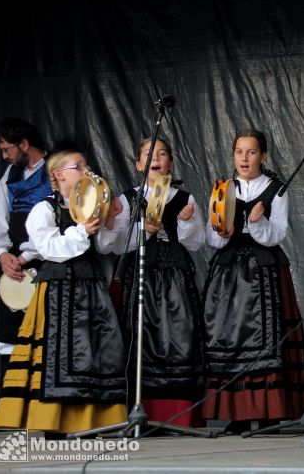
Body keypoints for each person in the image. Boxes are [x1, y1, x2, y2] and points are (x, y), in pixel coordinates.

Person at [0, 147, 127, 434]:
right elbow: (50, 248)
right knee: (59, 353)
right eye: (79, 166)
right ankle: (51, 419)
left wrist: (111, 220)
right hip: (59, 291)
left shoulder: (92, 207)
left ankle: (95, 420)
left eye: (87, 165)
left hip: (91, 288)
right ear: (58, 174)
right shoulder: (45, 208)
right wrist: (81, 230)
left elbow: (104, 247)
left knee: (95, 349)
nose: (87, 170)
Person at [201, 129, 304, 434]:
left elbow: (278, 233)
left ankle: (269, 412)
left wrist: (258, 222)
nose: (244, 158)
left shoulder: (276, 189)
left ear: (263, 155)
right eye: (239, 152)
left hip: (265, 270)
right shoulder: (223, 189)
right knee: (230, 337)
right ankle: (236, 412)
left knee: (268, 338)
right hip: (229, 272)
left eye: (251, 152)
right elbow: (212, 235)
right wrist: (221, 234)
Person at [111, 137, 205, 427]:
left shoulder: (184, 198)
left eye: (163, 154)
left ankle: (177, 416)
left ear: (170, 164)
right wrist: (144, 230)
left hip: (175, 276)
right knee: (139, 338)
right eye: (150, 154)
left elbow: (198, 242)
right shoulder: (128, 199)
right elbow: (115, 244)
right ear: (140, 164)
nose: (157, 158)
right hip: (140, 275)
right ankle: (139, 410)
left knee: (180, 337)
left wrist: (186, 222)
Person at [0, 118, 51, 394]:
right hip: (14, 268)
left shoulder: (55, 170)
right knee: (12, 332)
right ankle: (14, 402)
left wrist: (27, 254)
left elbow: (65, 221)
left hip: (47, 263)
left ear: (24, 144)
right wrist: (1, 254)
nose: (4, 155)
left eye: (7, 149)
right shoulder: (10, 176)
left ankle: (42, 400)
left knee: (45, 334)